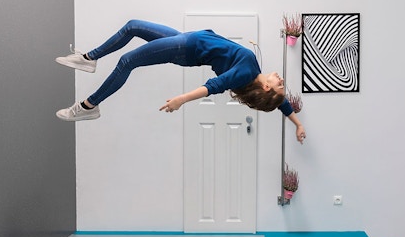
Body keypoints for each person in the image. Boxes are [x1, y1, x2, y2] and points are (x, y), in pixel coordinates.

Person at [55, 19, 307, 144]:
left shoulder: (245, 73)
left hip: (185, 48)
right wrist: (297, 124)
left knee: (127, 61)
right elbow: (282, 103)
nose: (281, 79)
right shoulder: (253, 71)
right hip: (187, 39)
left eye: (280, 84)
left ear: (266, 87)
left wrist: (181, 99)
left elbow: (213, 86)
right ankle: (89, 59)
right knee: (132, 26)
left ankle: (88, 106)